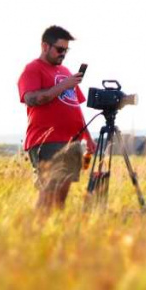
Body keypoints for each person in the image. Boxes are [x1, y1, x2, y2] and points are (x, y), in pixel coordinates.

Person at [18, 26, 96, 211]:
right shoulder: (32, 69)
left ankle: (54, 234)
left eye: (66, 50)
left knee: (61, 197)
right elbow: (33, 99)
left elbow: (74, 107)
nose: (63, 54)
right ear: (45, 46)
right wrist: (63, 85)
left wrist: (88, 137)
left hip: (72, 141)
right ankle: (34, 232)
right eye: (60, 49)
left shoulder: (66, 71)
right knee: (48, 195)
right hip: (46, 140)